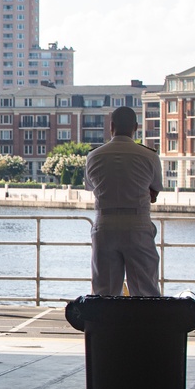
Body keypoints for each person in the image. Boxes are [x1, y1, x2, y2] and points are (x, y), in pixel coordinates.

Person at [84, 105, 163, 296]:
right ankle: (146, 325)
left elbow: (91, 187)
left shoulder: (93, 156)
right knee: (145, 289)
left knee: (105, 291)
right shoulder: (149, 156)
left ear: (111, 126)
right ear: (136, 127)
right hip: (137, 224)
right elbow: (155, 191)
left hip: (105, 224)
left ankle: (106, 325)